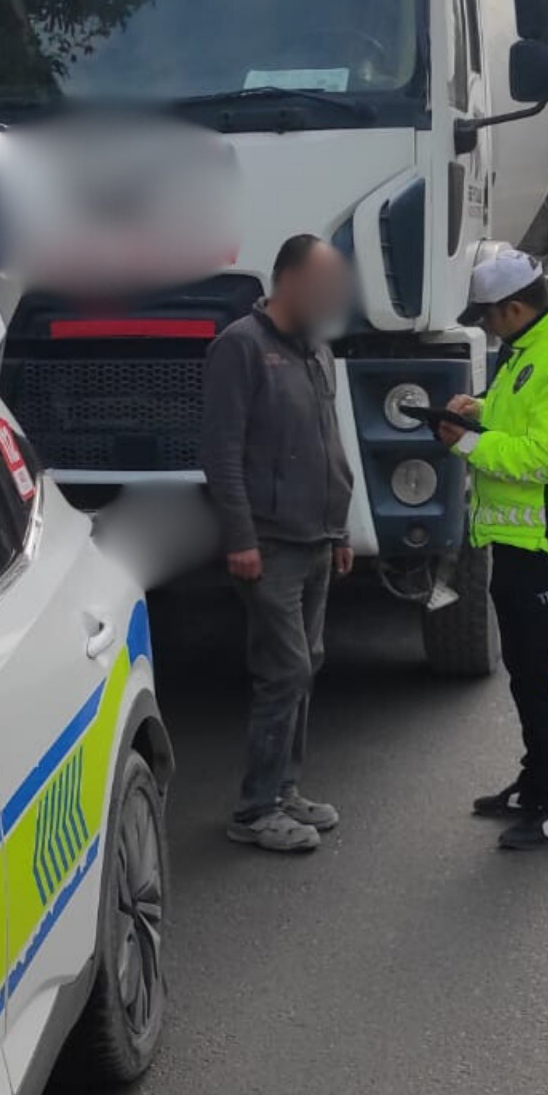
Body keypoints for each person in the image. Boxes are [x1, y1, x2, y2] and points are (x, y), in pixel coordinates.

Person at [439, 245, 548, 849]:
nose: (485, 325)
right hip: (516, 547)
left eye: (487, 315)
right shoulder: (525, 355)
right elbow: (518, 423)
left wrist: (465, 444)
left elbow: (543, 457)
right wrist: (477, 411)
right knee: (526, 677)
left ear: (514, 308)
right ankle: (537, 783)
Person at [200, 233, 355, 854]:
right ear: (289, 281)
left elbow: (330, 443)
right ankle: (255, 808)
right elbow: (221, 453)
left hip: (316, 537)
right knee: (283, 669)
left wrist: (341, 528)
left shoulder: (316, 350)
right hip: (268, 544)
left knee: (306, 665)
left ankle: (286, 791)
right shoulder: (239, 347)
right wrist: (241, 538)